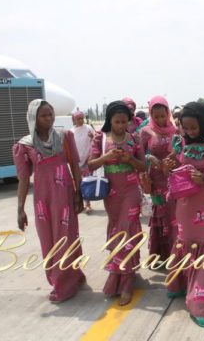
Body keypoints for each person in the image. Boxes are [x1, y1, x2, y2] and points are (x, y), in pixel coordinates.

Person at [13, 99, 86, 303]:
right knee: (48, 241)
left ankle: (65, 284)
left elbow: (74, 165)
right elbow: (23, 178)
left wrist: (78, 192)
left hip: (64, 196)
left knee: (67, 238)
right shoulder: (24, 145)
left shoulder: (64, 137)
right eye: (44, 115)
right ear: (33, 118)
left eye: (51, 114)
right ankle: (64, 278)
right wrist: (20, 209)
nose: (49, 118)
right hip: (43, 201)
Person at [165, 102, 204, 327]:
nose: (189, 132)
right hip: (185, 204)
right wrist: (167, 165)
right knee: (186, 242)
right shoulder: (179, 143)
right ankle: (181, 285)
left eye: (194, 127)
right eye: (186, 127)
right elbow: (171, 168)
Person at [88, 101, 146, 306]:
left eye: (124, 122)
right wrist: (107, 157)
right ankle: (117, 274)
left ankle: (126, 280)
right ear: (109, 121)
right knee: (115, 232)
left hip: (130, 191)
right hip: (111, 193)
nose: (121, 125)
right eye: (117, 122)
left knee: (127, 231)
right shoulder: (101, 138)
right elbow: (90, 164)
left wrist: (130, 159)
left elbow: (143, 166)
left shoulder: (134, 138)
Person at [140, 96, 179, 261]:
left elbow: (182, 150)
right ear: (151, 115)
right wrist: (151, 159)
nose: (160, 120)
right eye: (156, 117)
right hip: (156, 179)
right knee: (160, 214)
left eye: (163, 116)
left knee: (174, 215)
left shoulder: (176, 131)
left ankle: (176, 253)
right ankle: (160, 254)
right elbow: (140, 155)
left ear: (168, 113)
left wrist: (172, 159)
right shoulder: (145, 131)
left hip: (174, 177)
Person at [71, 110, 95, 213]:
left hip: (87, 160)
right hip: (75, 161)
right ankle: (79, 203)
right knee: (77, 184)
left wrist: (92, 137)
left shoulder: (88, 128)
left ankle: (88, 204)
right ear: (74, 120)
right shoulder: (71, 131)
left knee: (87, 183)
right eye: (78, 119)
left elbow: (95, 140)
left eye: (82, 118)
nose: (80, 120)